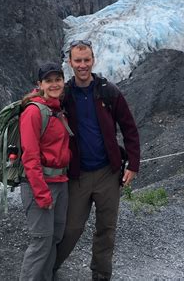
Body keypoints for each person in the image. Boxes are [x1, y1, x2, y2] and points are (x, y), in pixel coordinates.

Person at [55, 40, 141, 280]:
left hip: (108, 173)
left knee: (106, 229)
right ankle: (48, 269)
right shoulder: (64, 95)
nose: (82, 65)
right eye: (77, 61)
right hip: (77, 175)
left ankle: (101, 276)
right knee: (71, 229)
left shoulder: (108, 91)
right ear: (70, 63)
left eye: (86, 60)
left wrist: (133, 164)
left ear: (93, 60)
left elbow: (129, 128)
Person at [19, 62, 71, 281]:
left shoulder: (57, 109)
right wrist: (41, 193)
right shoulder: (33, 112)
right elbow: (29, 157)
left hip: (60, 181)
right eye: (48, 81)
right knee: (41, 241)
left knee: (54, 238)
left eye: (57, 79)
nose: (54, 84)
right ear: (39, 84)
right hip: (40, 185)